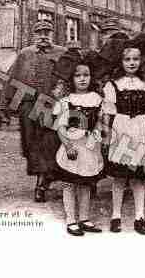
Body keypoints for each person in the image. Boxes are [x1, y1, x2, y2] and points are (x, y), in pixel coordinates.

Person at [5, 19, 66, 203]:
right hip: (29, 106)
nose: (43, 36)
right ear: (34, 35)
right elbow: (12, 78)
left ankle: (41, 185)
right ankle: (44, 178)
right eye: (39, 33)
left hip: (51, 107)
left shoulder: (61, 53)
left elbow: (71, 77)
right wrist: (8, 105)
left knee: (48, 144)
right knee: (31, 145)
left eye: (47, 32)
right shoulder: (25, 54)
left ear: (52, 34)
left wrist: (63, 91)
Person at [102, 40, 145, 235]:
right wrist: (107, 132)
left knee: (138, 178)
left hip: (140, 128)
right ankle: (116, 216)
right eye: (127, 59)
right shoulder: (113, 84)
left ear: (141, 60)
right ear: (121, 61)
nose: (132, 63)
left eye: (135, 59)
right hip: (121, 126)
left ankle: (139, 217)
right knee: (119, 177)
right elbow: (108, 111)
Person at [52, 56, 105, 236]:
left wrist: (97, 135)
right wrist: (67, 146)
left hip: (89, 147)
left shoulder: (97, 99)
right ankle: (71, 220)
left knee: (85, 184)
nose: (82, 79)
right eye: (77, 76)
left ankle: (84, 218)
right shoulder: (66, 101)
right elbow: (60, 127)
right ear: (71, 79)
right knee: (69, 184)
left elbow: (99, 122)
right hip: (72, 146)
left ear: (91, 78)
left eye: (86, 75)